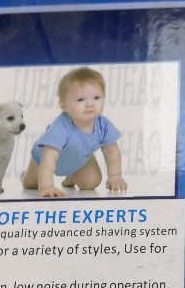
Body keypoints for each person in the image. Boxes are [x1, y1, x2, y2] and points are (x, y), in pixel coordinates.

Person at [22, 67, 127, 198]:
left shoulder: (103, 124)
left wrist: (115, 176)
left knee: (91, 182)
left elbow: (112, 151)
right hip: (42, 160)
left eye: (96, 97)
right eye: (81, 100)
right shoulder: (61, 127)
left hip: (78, 158)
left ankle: (71, 176)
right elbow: (48, 157)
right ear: (64, 106)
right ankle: (25, 175)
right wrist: (47, 186)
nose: (90, 104)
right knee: (30, 184)